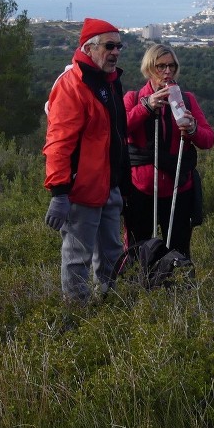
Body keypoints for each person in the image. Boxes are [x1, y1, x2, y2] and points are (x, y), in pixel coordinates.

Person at [43, 18, 129, 302]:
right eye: (109, 46)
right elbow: (58, 143)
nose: (115, 52)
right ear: (89, 48)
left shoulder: (110, 82)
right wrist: (59, 192)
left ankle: (108, 308)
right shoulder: (72, 86)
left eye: (119, 46)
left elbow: (117, 137)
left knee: (112, 255)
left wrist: (122, 184)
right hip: (81, 191)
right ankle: (77, 319)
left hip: (109, 187)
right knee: (77, 257)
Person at [123, 44, 214, 258]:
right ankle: (141, 290)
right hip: (140, 191)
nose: (167, 72)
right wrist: (146, 107)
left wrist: (192, 129)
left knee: (178, 253)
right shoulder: (133, 98)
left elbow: (208, 139)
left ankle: (176, 290)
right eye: (161, 66)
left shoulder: (187, 99)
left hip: (178, 189)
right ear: (149, 68)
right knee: (139, 253)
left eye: (171, 66)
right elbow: (120, 128)